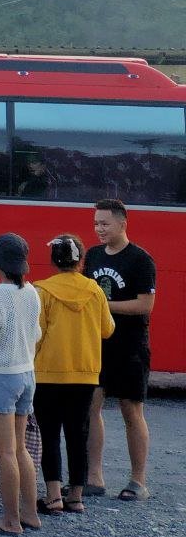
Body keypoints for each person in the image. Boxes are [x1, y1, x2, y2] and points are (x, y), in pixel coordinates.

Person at [33, 234, 114, 514]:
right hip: (85, 374)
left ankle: (54, 496)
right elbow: (108, 329)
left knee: (50, 434)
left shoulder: (42, 290)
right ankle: (76, 497)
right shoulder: (95, 290)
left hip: (47, 374)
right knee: (78, 434)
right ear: (81, 261)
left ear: (53, 260)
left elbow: (36, 333)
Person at [83, 198, 156, 501]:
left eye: (105, 223)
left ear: (122, 223)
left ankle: (138, 481)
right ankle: (94, 477)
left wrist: (103, 305)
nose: (99, 229)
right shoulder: (94, 255)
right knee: (91, 408)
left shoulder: (140, 260)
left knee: (131, 411)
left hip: (131, 348)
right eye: (96, 223)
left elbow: (145, 304)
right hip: (97, 346)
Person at [0, 232, 42, 536]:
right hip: (26, 373)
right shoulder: (32, 293)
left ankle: (11, 520)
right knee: (20, 450)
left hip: (0, 374)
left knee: (5, 454)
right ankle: (30, 513)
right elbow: (36, 333)